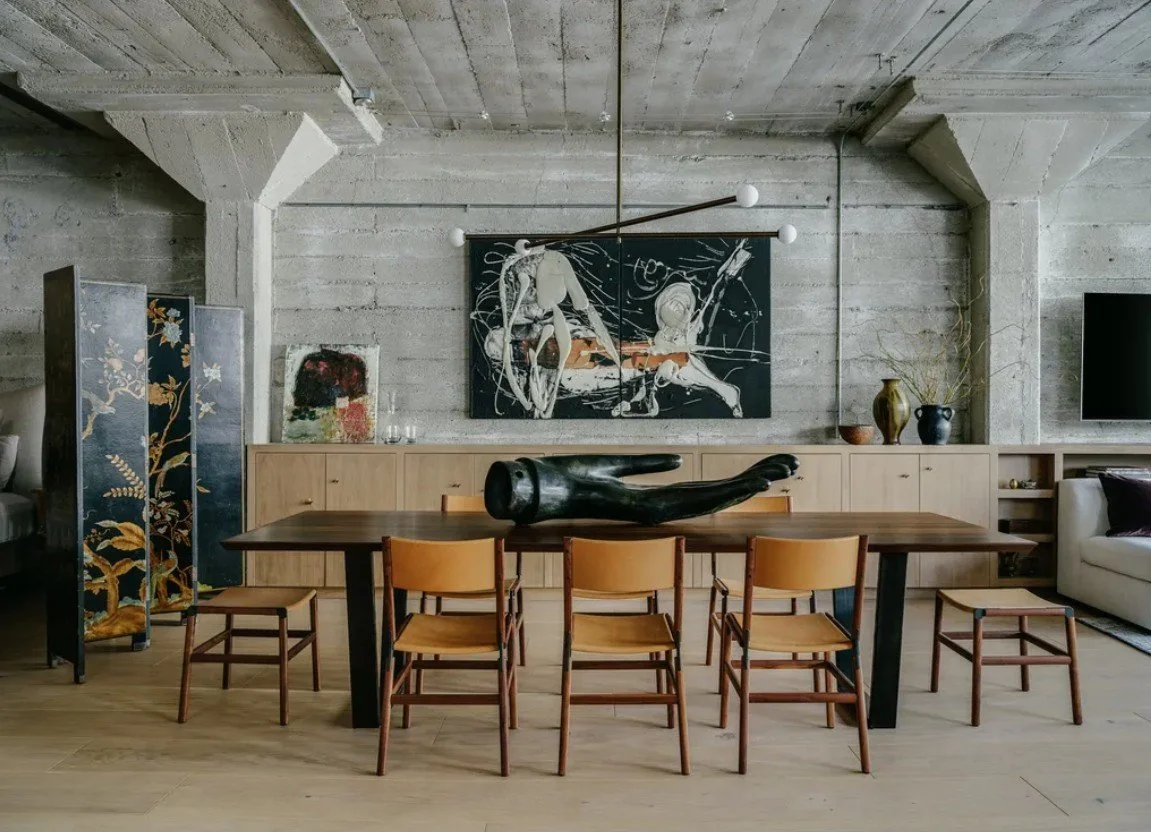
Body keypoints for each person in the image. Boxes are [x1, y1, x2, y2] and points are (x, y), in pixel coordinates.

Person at [484, 453, 798, 525]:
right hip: (542, 492)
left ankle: (741, 482)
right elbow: (653, 507)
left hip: (541, 486)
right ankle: (740, 484)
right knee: (647, 503)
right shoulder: (565, 490)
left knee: (647, 502)